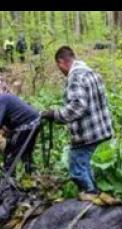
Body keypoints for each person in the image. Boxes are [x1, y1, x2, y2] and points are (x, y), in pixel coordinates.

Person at [40, 46, 115, 204]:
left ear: (61, 62)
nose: (60, 71)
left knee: (77, 169)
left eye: (58, 66)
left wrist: (55, 114)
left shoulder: (75, 77)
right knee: (86, 166)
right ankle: (97, 195)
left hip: (87, 134)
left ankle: (90, 201)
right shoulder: (91, 73)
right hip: (101, 130)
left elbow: (78, 106)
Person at [0, 93, 41, 175]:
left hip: (26, 125)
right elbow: (2, 121)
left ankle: (8, 181)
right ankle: (32, 176)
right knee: (25, 153)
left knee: (11, 153)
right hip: (34, 122)